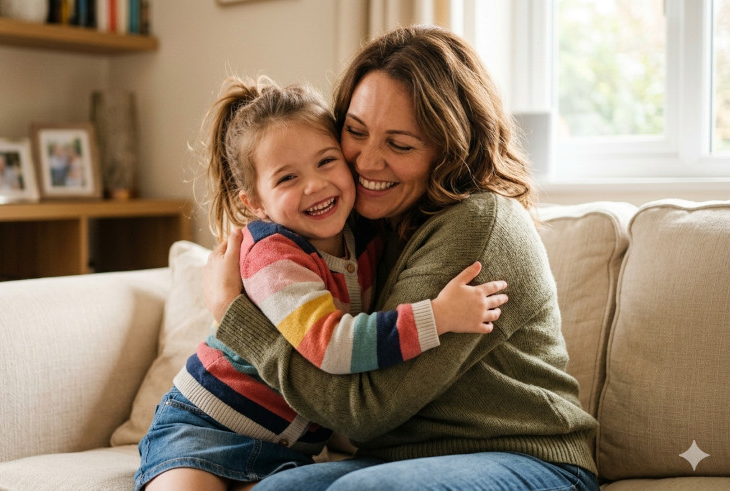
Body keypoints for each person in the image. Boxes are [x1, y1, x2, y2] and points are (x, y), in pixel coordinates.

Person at [202, 26, 600, 491]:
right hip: (397, 462)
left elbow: (361, 411)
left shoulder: (478, 224)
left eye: (401, 145)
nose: (367, 162)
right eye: (355, 131)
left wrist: (235, 315)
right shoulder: (363, 226)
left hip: (527, 459)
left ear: (451, 149)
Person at [135, 76, 509, 491]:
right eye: (287, 178)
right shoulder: (272, 255)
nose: (314, 184)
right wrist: (436, 317)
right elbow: (332, 346)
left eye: (326, 161)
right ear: (256, 203)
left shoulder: (364, 237)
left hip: (285, 451)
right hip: (206, 427)